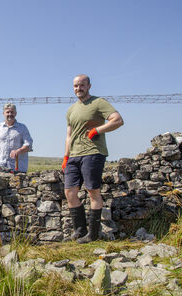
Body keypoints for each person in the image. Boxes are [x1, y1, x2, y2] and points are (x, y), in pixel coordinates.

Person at [63, 74, 124, 243]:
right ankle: (80, 230)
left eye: (82, 85)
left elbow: (118, 120)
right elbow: (69, 135)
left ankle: (93, 235)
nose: (78, 88)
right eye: (75, 86)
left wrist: (97, 130)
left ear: (89, 86)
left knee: (93, 192)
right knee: (70, 193)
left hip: (93, 152)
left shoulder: (98, 103)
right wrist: (66, 156)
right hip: (74, 155)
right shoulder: (71, 110)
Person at [0, 103, 33, 173]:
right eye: (7, 112)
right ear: (3, 113)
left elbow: (28, 145)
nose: (10, 114)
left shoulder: (22, 128)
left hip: (18, 169)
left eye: (12, 112)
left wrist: (18, 151)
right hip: (1, 168)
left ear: (15, 113)